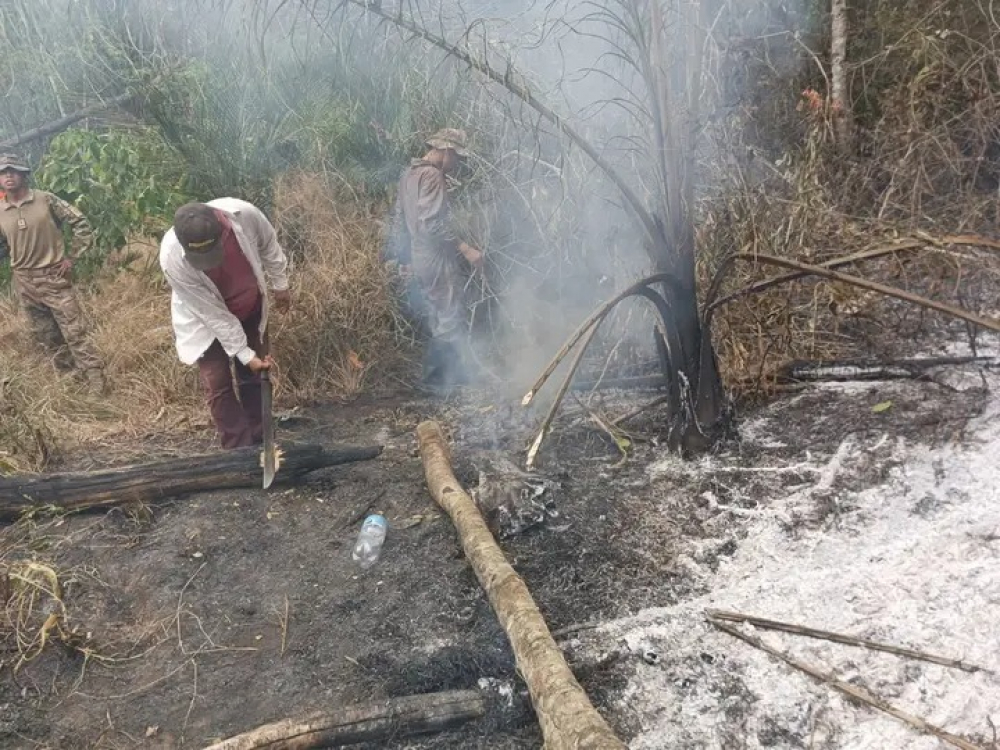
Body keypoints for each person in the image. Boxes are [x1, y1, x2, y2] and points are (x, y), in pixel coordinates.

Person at [159, 199, 291, 449]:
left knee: (255, 375)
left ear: (222, 227)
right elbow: (212, 314)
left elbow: (269, 245)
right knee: (217, 382)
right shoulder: (171, 257)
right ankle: (238, 449)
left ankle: (261, 439)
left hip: (249, 305)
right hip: (205, 319)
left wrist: (280, 284)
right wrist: (243, 352)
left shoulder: (245, 215)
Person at [0, 153, 107, 394]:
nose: (8, 175)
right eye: (3, 172)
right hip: (24, 281)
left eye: (13, 170)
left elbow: (80, 222)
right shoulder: (1, 209)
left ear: (23, 174)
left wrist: (73, 258)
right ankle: (70, 383)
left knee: (75, 332)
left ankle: (97, 384)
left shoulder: (45, 200)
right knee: (46, 336)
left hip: (53, 277)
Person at [386, 128, 483, 393]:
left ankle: (444, 378)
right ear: (447, 151)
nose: (457, 165)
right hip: (435, 255)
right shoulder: (432, 175)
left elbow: (399, 222)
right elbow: (432, 225)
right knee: (449, 312)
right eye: (458, 158)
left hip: (418, 257)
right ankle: (439, 378)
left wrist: (404, 258)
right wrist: (465, 249)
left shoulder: (408, 175)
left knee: (437, 314)